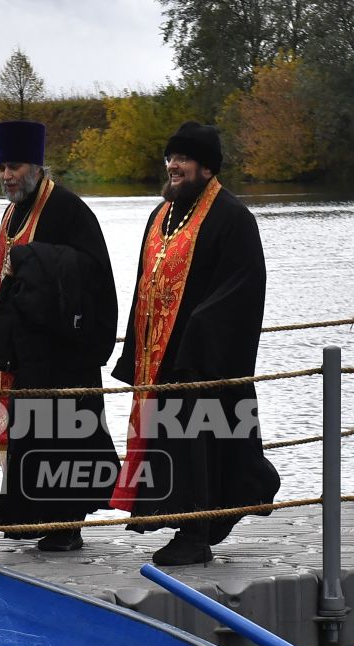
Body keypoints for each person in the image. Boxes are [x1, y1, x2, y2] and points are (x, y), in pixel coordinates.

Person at [110, 121, 280, 566]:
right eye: (170, 158)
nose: (173, 166)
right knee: (176, 445)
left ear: (206, 168)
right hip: (161, 357)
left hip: (204, 360)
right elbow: (144, 284)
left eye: (183, 159)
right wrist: (136, 348)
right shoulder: (160, 215)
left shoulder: (232, 217)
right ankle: (195, 523)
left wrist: (197, 338)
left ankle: (195, 534)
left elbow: (243, 288)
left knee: (200, 444)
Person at [0, 120, 120, 551]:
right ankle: (36, 517)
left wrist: (31, 259)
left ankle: (66, 525)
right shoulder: (10, 213)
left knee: (63, 434)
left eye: (15, 166)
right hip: (22, 352)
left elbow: (93, 277)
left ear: (37, 165)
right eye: (2, 167)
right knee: (30, 436)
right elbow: (1, 286)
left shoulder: (69, 211)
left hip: (62, 353)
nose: (7, 176)